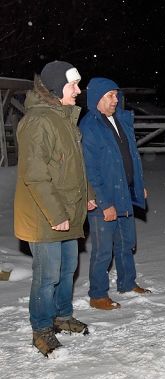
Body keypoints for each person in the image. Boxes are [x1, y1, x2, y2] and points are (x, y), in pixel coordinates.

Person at [14, 60, 93, 356]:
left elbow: (75, 166)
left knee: (67, 268)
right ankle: (42, 328)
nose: (78, 90)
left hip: (67, 210)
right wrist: (56, 213)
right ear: (56, 88)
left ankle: (61, 316)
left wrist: (88, 193)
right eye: (72, 84)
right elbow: (35, 176)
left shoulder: (63, 117)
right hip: (44, 214)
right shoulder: (39, 122)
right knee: (47, 275)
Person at [79, 78, 150, 310]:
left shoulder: (120, 120)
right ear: (97, 98)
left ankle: (127, 282)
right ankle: (98, 294)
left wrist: (138, 184)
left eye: (116, 95)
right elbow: (91, 170)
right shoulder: (90, 127)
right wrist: (103, 202)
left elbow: (130, 156)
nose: (115, 100)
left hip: (125, 193)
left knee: (126, 243)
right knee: (103, 251)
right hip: (106, 199)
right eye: (110, 95)